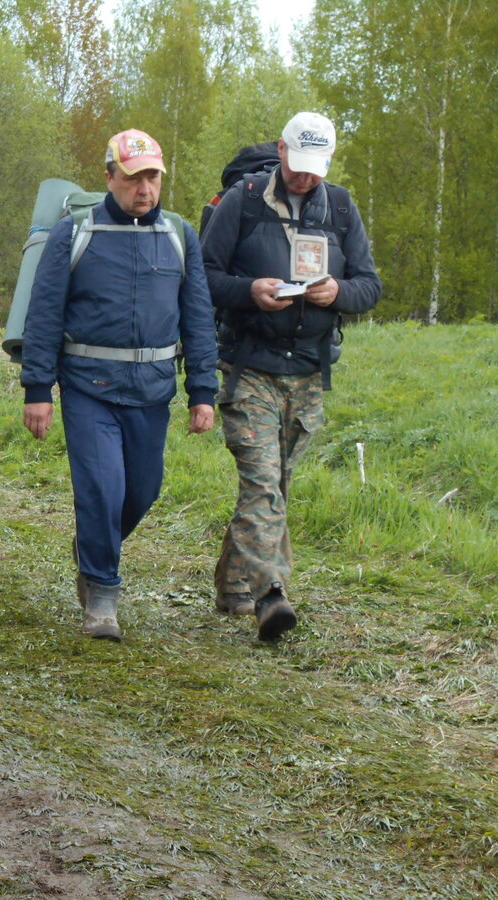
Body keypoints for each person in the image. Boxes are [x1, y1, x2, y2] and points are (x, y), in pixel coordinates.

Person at [21, 129, 218, 641]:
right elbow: (44, 313)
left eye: (152, 177)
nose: (144, 188)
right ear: (110, 177)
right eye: (133, 178)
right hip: (88, 386)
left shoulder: (180, 235)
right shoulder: (76, 232)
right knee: (103, 488)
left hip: (152, 390)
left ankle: (93, 548)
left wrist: (203, 390)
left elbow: (198, 316)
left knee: (143, 491)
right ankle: (102, 594)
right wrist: (38, 389)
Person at [202, 112, 381, 641]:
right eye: (298, 166)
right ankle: (271, 595)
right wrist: (248, 290)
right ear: (281, 150)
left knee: (273, 486)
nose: (305, 178)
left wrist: (339, 294)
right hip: (249, 365)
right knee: (262, 483)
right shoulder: (244, 200)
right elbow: (205, 276)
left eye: (316, 169)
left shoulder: (342, 207)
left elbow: (369, 285)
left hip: (307, 371)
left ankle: (233, 585)